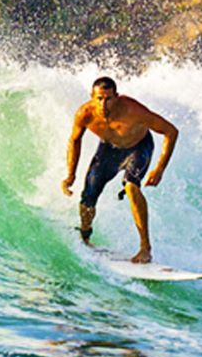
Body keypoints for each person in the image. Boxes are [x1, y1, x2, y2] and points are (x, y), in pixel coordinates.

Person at [61, 76, 178, 263]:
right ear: (92, 97)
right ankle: (85, 235)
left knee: (131, 186)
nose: (104, 104)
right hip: (109, 150)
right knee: (88, 196)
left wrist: (159, 169)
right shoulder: (84, 114)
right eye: (99, 98)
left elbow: (171, 131)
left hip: (138, 148)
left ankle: (145, 249)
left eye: (108, 98)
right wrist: (70, 175)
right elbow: (75, 140)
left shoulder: (134, 111)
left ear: (117, 96)